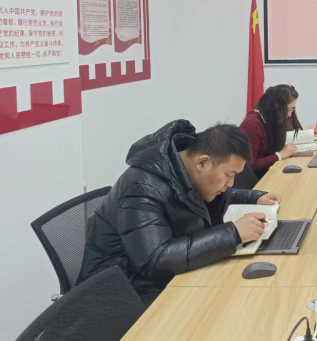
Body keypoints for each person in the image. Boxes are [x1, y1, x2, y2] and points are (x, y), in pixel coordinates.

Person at [77, 120, 281, 306]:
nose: (230, 183)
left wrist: (253, 197)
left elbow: (203, 193)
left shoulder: (183, 167)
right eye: (229, 175)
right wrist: (233, 233)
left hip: (153, 281)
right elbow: (155, 261)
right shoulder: (142, 187)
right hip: (117, 295)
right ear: (202, 163)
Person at [238, 84, 302, 184]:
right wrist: (279, 155)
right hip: (255, 180)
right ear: (277, 107)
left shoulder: (271, 120)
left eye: (292, 110)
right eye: (289, 110)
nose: (290, 114)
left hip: (269, 172)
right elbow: (249, 165)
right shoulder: (252, 124)